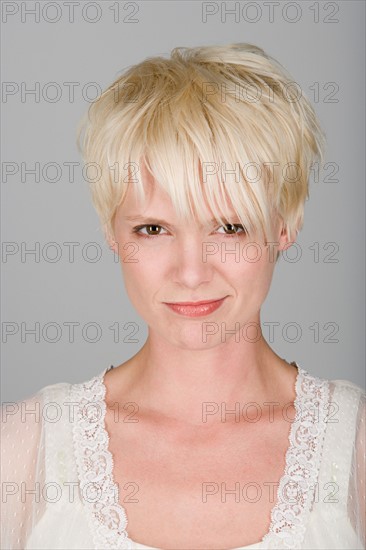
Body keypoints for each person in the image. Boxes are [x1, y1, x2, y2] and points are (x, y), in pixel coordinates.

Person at [1, 43, 365, 550]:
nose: (192, 272)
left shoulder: (356, 449)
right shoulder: (23, 445)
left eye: (230, 227)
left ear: (286, 225)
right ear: (112, 232)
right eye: (153, 228)